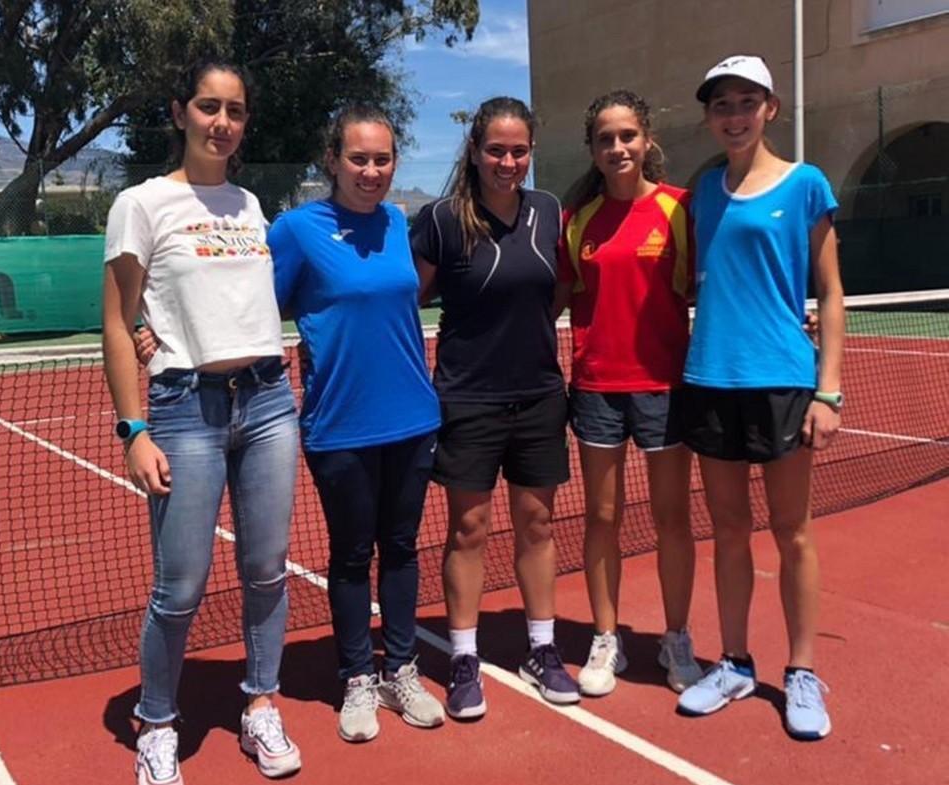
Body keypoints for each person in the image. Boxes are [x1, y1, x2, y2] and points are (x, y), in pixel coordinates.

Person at [102, 58, 301, 785]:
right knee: (179, 586)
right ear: (181, 111)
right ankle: (156, 721)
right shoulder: (143, 203)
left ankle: (260, 704)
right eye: (209, 107)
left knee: (267, 569)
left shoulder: (251, 203)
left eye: (236, 110)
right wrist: (134, 429)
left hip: (270, 401)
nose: (223, 122)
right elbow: (119, 324)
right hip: (186, 412)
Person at [676, 56, 844, 740]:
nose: (735, 115)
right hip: (711, 379)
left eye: (747, 102)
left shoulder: (806, 185)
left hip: (783, 381)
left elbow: (830, 292)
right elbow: (699, 282)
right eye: (723, 105)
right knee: (729, 530)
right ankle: (736, 660)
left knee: (793, 530)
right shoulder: (702, 193)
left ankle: (801, 670)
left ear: (771, 108)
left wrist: (827, 390)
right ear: (710, 116)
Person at [266, 105, 445, 743]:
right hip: (339, 425)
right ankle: (356, 679)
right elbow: (254, 305)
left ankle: (401, 669)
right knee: (351, 554)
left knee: (400, 549)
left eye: (383, 158)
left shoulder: (403, 223)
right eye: (359, 158)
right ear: (332, 161)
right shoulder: (295, 229)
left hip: (413, 419)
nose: (372, 171)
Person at [411, 97, 579, 720]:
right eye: (496, 150)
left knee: (538, 526)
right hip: (467, 398)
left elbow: (560, 286)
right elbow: (406, 295)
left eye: (519, 151)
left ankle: (542, 648)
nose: (508, 162)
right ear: (475, 152)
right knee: (469, 530)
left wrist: (529, 332)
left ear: (530, 152)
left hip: (539, 395)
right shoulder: (443, 219)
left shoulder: (550, 211)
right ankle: (462, 658)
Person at [556, 90, 703, 698]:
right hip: (596, 390)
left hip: (666, 389)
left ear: (647, 140)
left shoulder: (681, 210)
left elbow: (710, 289)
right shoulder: (579, 221)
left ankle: (675, 637)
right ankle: (605, 637)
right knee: (603, 518)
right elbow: (554, 301)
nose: (617, 148)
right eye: (605, 139)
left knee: (672, 519)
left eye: (627, 137)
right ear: (593, 148)